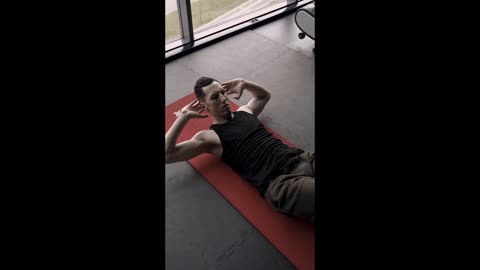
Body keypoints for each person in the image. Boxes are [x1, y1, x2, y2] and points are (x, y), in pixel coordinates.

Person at [165, 77, 315, 222]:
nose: (223, 98)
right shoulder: (209, 138)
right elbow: (167, 154)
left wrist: (244, 82)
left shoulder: (245, 111)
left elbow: (264, 96)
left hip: (300, 158)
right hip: (281, 182)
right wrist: (183, 117)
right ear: (204, 105)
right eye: (215, 97)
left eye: (223, 92)